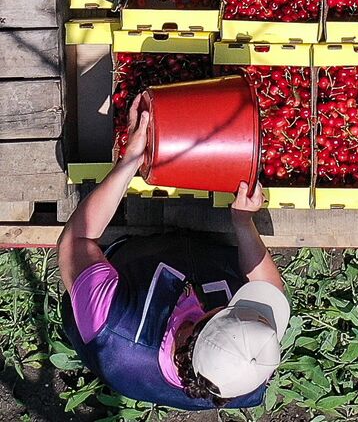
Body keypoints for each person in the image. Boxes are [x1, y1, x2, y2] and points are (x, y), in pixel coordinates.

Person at [58, 100, 290, 409]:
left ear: (198, 326)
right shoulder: (249, 366)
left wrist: (130, 160)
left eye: (229, 309)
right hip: (205, 258)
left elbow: (78, 240)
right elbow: (270, 288)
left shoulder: (112, 324)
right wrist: (242, 222)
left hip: (134, 266)